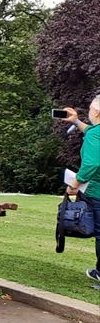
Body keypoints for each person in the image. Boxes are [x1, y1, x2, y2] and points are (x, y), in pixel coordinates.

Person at [60, 97, 100, 283]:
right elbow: (92, 131)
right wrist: (76, 121)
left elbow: (91, 163)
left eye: (91, 108)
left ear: (97, 112)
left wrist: (74, 185)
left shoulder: (95, 134)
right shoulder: (95, 132)